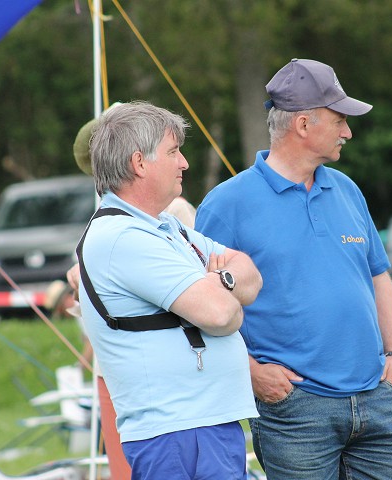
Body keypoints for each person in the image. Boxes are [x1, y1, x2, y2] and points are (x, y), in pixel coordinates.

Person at [195, 58, 392, 480]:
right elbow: (199, 309)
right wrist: (252, 374)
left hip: (376, 398)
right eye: (339, 121)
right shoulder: (227, 205)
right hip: (295, 409)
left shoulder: (347, 190)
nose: (348, 132)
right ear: (302, 124)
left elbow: (378, 277)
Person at [77, 100, 263, 480]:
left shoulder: (164, 226)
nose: (185, 163)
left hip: (201, 426)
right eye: (174, 151)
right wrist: (226, 296)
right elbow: (220, 315)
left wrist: (221, 283)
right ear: (139, 163)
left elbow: (250, 275)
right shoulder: (120, 237)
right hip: (177, 432)